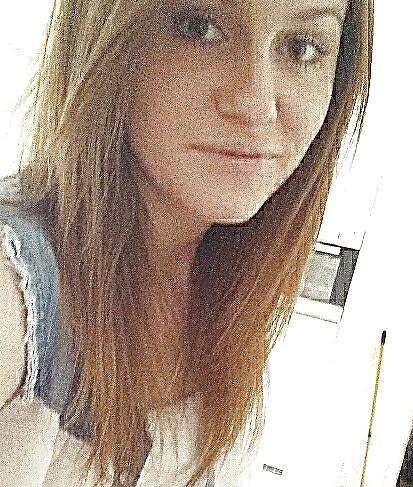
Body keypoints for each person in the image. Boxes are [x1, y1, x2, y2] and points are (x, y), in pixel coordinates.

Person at [0, 0, 373, 485]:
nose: (257, 104)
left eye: (302, 48)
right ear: (105, 39)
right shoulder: (16, 292)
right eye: (201, 28)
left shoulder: (230, 287)